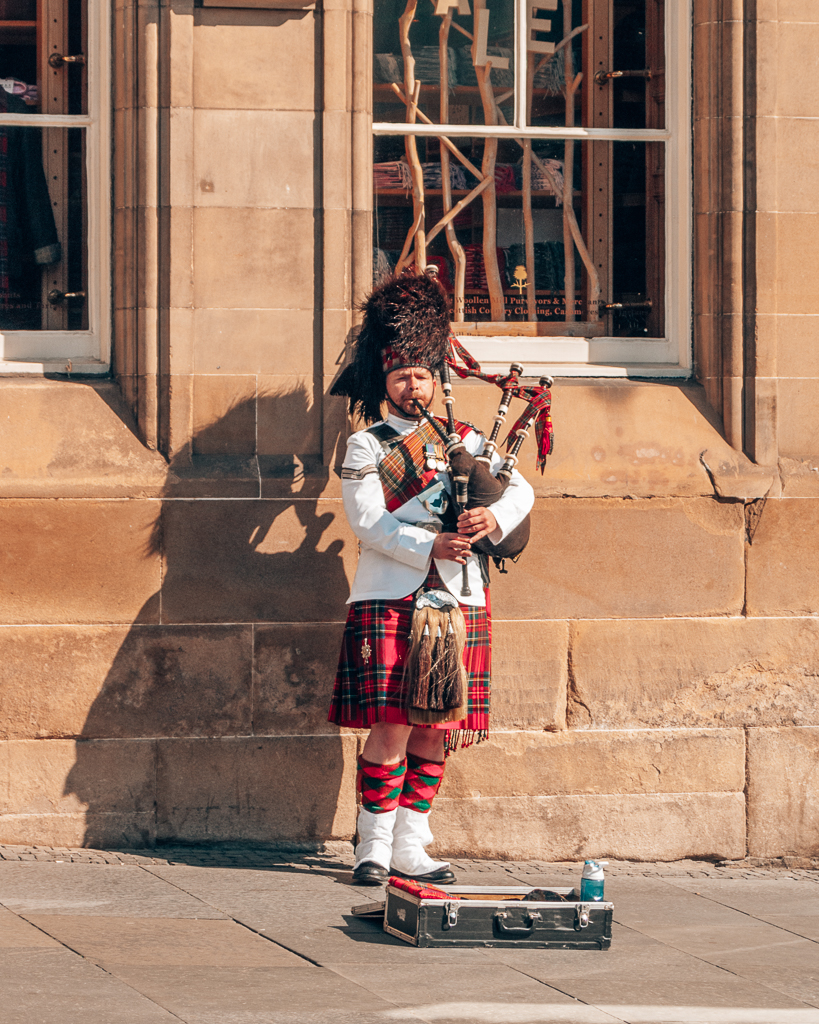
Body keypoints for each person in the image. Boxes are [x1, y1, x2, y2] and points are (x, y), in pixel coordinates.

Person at [329, 272, 535, 886]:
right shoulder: (365, 446)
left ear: (435, 376)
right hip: (393, 594)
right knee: (392, 719)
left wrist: (487, 516)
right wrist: (430, 541)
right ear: (384, 383)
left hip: (457, 596)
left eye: (420, 374)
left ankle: (413, 844)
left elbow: (521, 490)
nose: (411, 384)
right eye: (400, 376)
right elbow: (366, 521)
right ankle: (372, 844)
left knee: (435, 725)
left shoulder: (468, 440)